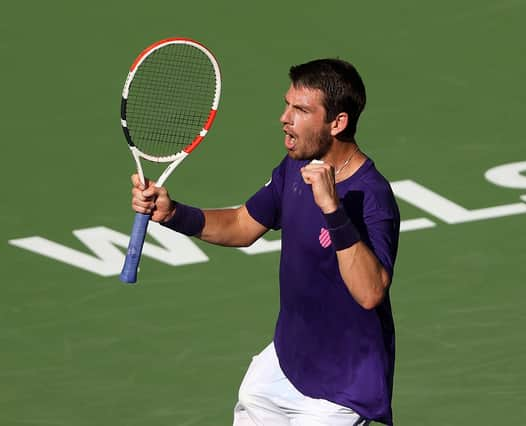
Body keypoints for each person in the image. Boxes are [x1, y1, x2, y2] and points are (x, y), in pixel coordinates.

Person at [130, 58, 401, 425]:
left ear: (337, 123)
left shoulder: (371, 195)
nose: (285, 118)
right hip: (286, 362)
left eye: (301, 110)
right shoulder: (294, 166)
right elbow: (244, 223)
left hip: (341, 388)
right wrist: (174, 213)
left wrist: (332, 209)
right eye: (287, 104)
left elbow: (370, 293)